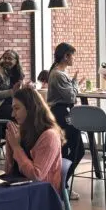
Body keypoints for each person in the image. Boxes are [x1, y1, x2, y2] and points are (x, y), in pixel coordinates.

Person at [4, 87, 62, 193]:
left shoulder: (49, 136)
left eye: (17, 108)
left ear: (30, 108)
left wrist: (16, 147)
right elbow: (9, 172)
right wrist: (10, 146)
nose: (12, 114)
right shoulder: (20, 131)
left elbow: (36, 176)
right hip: (18, 189)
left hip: (40, 194)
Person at [47, 42, 85, 171]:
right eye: (72, 56)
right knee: (76, 150)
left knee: (66, 150)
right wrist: (76, 84)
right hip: (61, 114)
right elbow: (71, 97)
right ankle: (61, 179)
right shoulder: (58, 74)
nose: (73, 59)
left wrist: (74, 83)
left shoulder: (58, 72)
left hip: (61, 112)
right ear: (66, 56)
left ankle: (61, 179)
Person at [0, 50, 24, 137]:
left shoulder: (19, 73)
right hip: (0, 106)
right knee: (21, 114)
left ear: (16, 61)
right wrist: (11, 92)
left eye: (10, 58)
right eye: (5, 58)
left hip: (14, 104)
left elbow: (18, 92)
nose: (6, 60)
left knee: (32, 111)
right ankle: (18, 139)